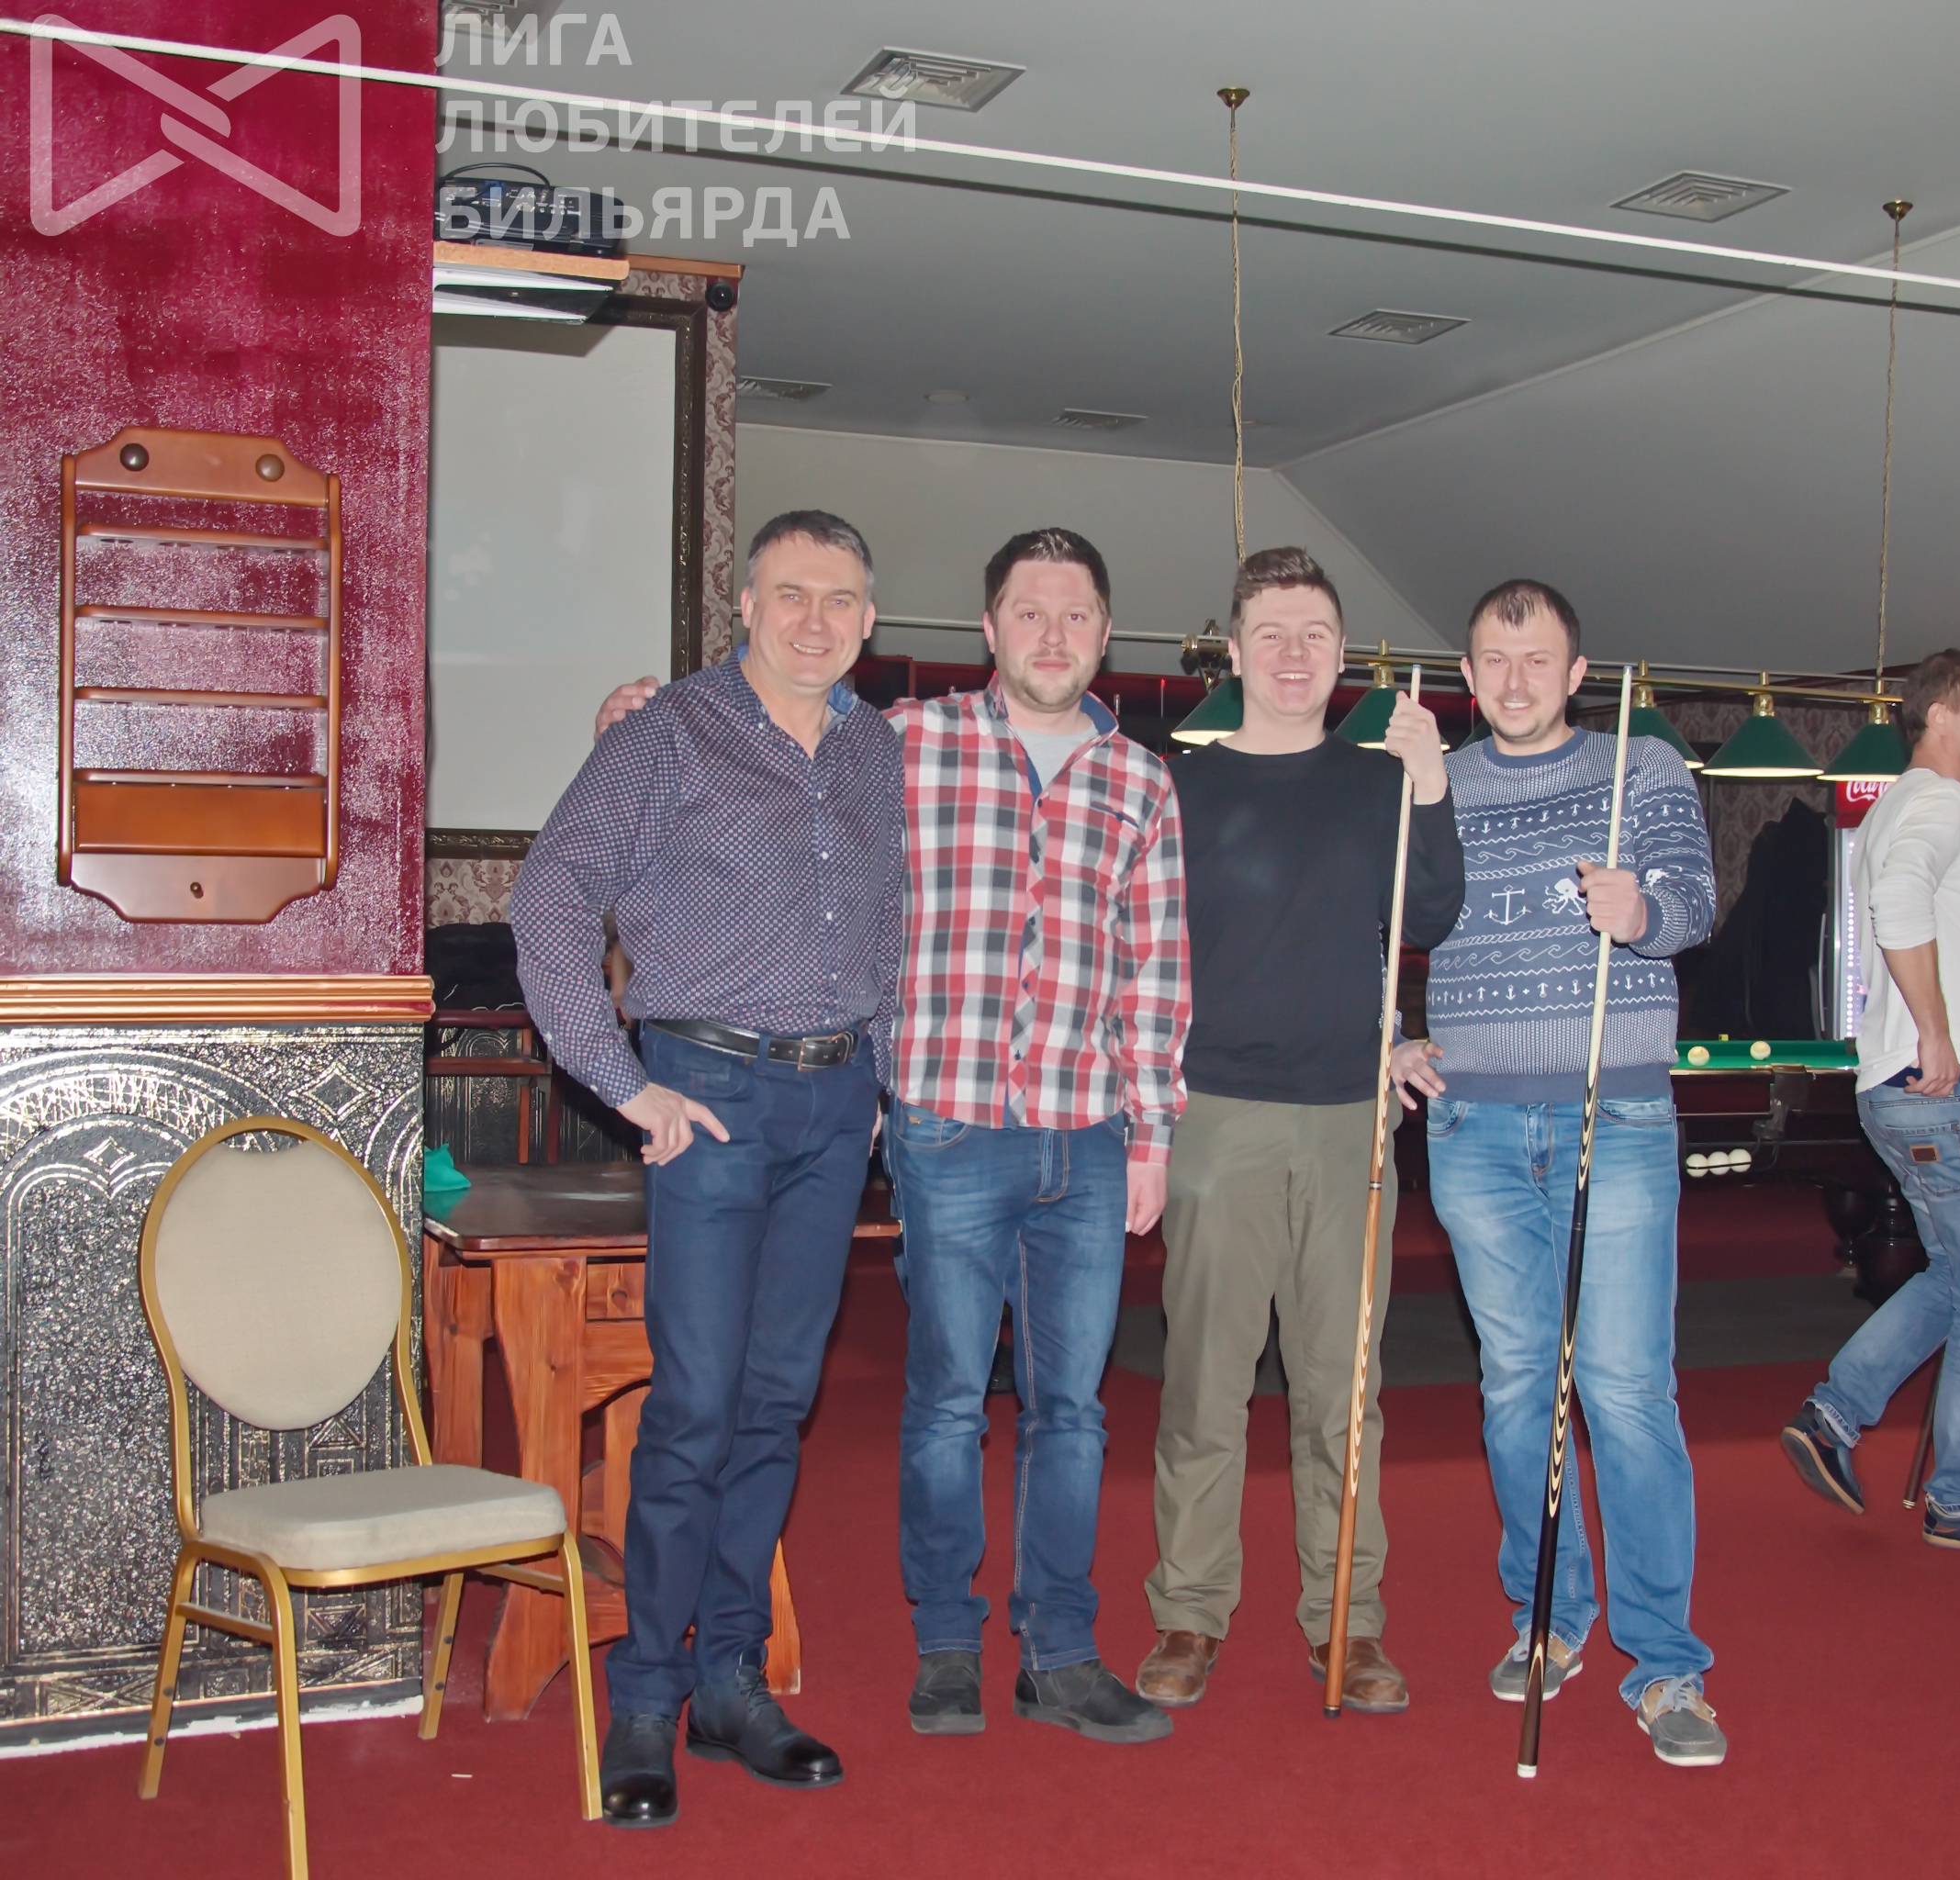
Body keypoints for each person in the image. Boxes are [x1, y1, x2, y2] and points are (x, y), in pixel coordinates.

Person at [599, 525, 1189, 1746]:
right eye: (1029, 612)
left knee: (1076, 1413)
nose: (1053, 635)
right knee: (945, 1405)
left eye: (1076, 615)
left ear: (1105, 634)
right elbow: (761, 743)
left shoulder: (1142, 782)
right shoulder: (902, 743)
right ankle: (946, 1643)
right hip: (945, 1121)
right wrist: (634, 721)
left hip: (1087, 1130)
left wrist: (1154, 1132)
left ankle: (1061, 1650)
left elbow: (1156, 970)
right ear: (987, 628)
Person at [514, 509, 904, 1828]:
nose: (814, 620)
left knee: (777, 1403)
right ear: (744, 604)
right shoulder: (668, 731)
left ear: (868, 618)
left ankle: (731, 1681)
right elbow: (551, 897)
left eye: (839, 599)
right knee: (693, 1406)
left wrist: (876, 1079)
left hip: (834, 1102)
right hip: (710, 1094)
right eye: (790, 593)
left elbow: (889, 920)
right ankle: (644, 1697)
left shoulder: (876, 747)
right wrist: (621, 1082)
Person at [1388, 579, 1726, 1767]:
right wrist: (1390, 1031)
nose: (1516, 680)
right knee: (1517, 1385)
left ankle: (1667, 1660)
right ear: (1466, 674)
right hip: (1472, 1123)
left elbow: (1696, 905)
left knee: (1627, 1388)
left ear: (1578, 674)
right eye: (1494, 659)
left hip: (1613, 1110)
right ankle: (1547, 1616)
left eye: (1538, 660)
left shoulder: (1647, 768)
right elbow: (1373, 924)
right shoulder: (1433, 784)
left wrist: (1642, 912)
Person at [1136, 547, 1462, 1715]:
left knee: (1342, 1393)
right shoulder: (1178, 786)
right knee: (1204, 1386)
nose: (1291, 652)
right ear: (1233, 651)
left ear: (1342, 656)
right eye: (1269, 632)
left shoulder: (1379, 781)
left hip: (1347, 1121)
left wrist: (1430, 781)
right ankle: (1188, 1610)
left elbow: (1431, 913)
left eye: (1314, 633)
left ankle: (1347, 1620)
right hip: (1213, 1115)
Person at [1779, 649, 1960, 1558]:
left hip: (1928, 1089)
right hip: (1942, 1088)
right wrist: (1941, 1035)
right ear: (1939, 716)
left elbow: (1916, 914)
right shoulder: (1939, 801)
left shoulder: (1908, 804)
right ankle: (1959, 1498)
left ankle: (1834, 1414)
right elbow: (1901, 897)